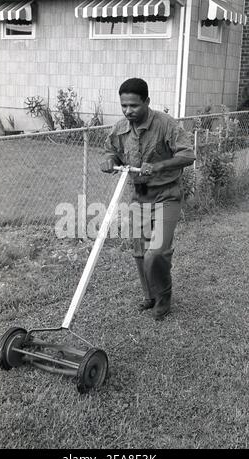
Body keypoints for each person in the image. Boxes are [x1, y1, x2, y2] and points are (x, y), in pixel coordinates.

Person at [101, 78, 195, 321]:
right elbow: (111, 150)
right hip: (140, 198)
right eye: (124, 106)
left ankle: (163, 296)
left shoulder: (166, 125)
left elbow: (188, 154)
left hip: (167, 196)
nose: (128, 111)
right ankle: (149, 296)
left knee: (157, 252)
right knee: (140, 251)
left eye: (133, 105)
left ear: (147, 102)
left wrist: (159, 166)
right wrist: (110, 161)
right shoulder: (120, 128)